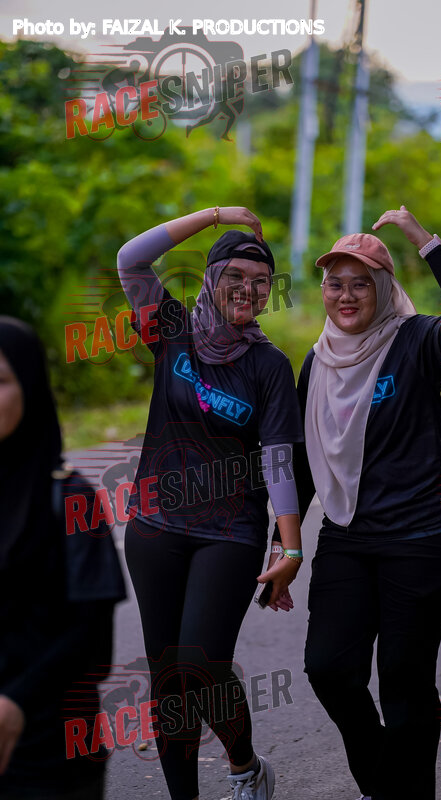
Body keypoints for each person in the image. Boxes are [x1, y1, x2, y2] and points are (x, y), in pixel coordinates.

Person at [282, 207, 441, 800]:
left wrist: (424, 240)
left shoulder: (417, 340)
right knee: (328, 668)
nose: (346, 296)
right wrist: (284, 546)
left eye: (361, 283)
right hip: (349, 534)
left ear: (383, 287)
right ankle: (386, 782)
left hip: (425, 535)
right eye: (335, 283)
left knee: (403, 677)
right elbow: (304, 460)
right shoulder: (317, 361)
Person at [117, 206, 304, 800]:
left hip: (229, 531)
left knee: (201, 665)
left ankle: (245, 768)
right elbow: (131, 259)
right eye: (235, 278)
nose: (248, 290)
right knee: (167, 677)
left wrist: (291, 547)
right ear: (211, 279)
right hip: (155, 524)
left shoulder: (269, 365)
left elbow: (278, 458)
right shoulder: (171, 329)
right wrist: (216, 216)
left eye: (261, 282)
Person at [0, 317, 126, 799]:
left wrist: (16, 701)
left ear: (30, 387)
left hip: (52, 749)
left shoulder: (70, 498)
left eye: (0, 381)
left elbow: (90, 638)